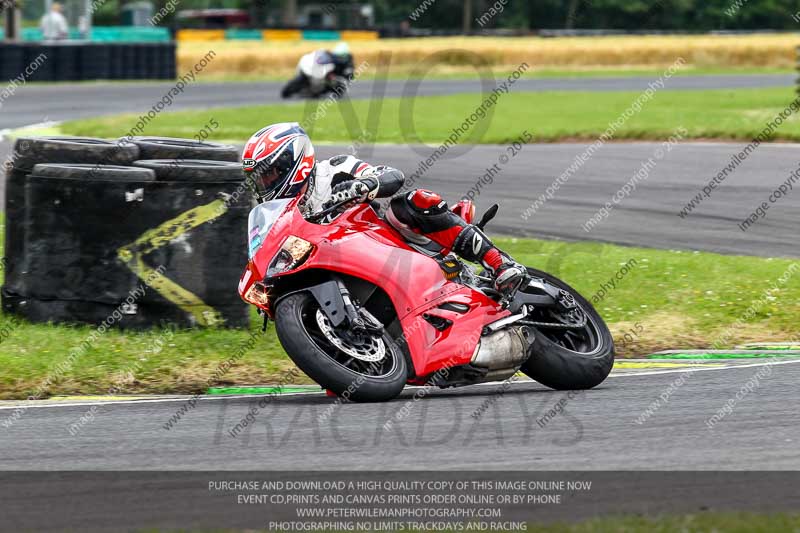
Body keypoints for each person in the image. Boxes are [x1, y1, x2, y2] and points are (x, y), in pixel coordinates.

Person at [241, 122, 527, 297]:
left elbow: (393, 176)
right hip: (346, 267)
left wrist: (364, 185)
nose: (265, 183)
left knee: (411, 202)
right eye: (259, 179)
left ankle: (500, 263)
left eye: (269, 174)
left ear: (294, 162)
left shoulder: (335, 169)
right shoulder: (278, 215)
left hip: (389, 244)